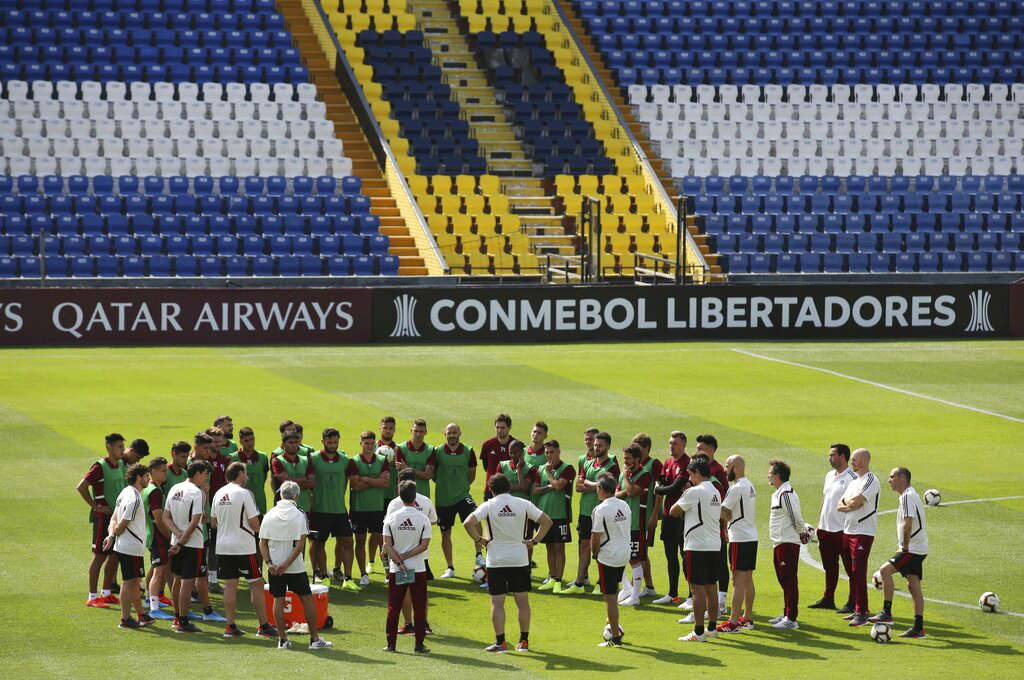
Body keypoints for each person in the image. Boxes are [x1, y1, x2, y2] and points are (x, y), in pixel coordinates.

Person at [464, 474, 552, 653]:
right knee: (522, 601)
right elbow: (546, 522)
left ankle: (501, 642)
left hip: (496, 560)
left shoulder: (488, 505)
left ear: (491, 489)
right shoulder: (523, 504)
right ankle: (524, 641)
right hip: (519, 559)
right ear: (509, 488)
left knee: (497, 602)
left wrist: (479, 539)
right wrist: (534, 541)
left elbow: (468, 523)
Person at [259, 481, 332, 650]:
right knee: (307, 598)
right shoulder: (299, 514)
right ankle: (314, 639)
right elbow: (300, 545)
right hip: (294, 566)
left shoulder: (270, 514)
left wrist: (270, 563)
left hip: (274, 565)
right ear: (297, 496)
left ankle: (282, 640)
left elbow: (262, 543)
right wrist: (286, 565)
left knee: (278, 599)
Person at [212, 461, 278, 638]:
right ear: (240, 474)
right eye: (245, 473)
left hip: (222, 546)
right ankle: (263, 625)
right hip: (243, 546)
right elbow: (255, 524)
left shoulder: (218, 493)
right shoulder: (244, 494)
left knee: (230, 585)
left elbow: (213, 522)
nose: (247, 477)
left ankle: (230, 626)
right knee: (256, 584)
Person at [870, 467, 928, 638]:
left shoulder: (907, 497)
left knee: (884, 570)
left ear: (902, 478)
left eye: (892, 476)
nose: (889, 480)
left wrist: (904, 547)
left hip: (913, 548)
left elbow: (907, 523)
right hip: (920, 548)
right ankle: (918, 628)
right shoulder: (910, 495)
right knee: (913, 585)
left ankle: (886, 613)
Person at [670, 456, 722, 642]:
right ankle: (712, 628)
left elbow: (673, 511)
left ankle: (698, 632)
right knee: (711, 587)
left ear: (698, 474)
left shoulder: (695, 492)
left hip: (696, 545)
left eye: (691, 475)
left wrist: (685, 494)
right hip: (714, 544)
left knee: (697, 589)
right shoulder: (716, 492)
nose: (689, 479)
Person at [564, 431, 618, 595]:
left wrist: (589, 483)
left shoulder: (612, 466)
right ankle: (580, 582)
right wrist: (595, 485)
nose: (597, 448)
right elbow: (578, 487)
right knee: (585, 546)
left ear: (608, 446)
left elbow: (610, 488)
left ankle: (601, 582)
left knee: (603, 546)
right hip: (586, 512)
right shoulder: (587, 463)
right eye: (595, 445)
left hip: (604, 513)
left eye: (600, 445)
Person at [382, 481, 433, 653]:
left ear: (399, 495)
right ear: (414, 495)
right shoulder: (423, 518)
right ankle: (419, 644)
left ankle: (391, 644)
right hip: (418, 569)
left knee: (393, 607)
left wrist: (398, 561)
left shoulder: (391, 518)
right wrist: (406, 557)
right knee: (419, 608)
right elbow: (424, 545)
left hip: (396, 570)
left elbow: (386, 545)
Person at [76, 433, 126, 608]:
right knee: (99, 556)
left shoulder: (120, 465)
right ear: (109, 447)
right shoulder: (99, 466)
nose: (122, 450)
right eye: (119, 446)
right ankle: (92, 596)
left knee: (115, 555)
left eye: (122, 446)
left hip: (117, 519)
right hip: (103, 518)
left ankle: (106, 593)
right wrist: (95, 506)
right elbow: (81, 487)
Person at [104, 463, 156, 629]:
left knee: (133, 582)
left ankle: (140, 615)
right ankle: (126, 618)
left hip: (124, 546)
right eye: (146, 476)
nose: (149, 479)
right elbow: (123, 523)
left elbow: (113, 519)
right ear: (139, 478)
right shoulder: (134, 498)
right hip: (131, 546)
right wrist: (112, 535)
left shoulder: (124, 493)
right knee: (129, 582)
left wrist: (111, 535)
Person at [309, 428, 359, 591]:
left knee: (348, 541)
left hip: (339, 510)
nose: (333, 445)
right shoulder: (313, 459)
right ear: (322, 441)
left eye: (335, 442)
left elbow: (353, 481)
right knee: (318, 543)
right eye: (329, 442)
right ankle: (323, 576)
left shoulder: (346, 460)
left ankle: (348, 578)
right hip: (319, 509)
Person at [809, 443, 857, 611]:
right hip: (825, 529)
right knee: (829, 567)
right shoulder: (829, 475)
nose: (830, 458)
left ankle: (853, 602)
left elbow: (854, 503)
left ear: (843, 457)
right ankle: (828, 599)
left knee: (851, 568)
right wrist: (819, 524)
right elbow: (825, 498)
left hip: (843, 530)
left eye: (832, 455)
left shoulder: (852, 477)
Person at [164, 460, 210, 633]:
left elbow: (166, 517)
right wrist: (183, 540)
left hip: (176, 541)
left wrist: (177, 535)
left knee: (177, 579)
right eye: (205, 474)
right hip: (192, 544)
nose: (206, 479)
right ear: (198, 473)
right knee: (187, 582)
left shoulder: (175, 488)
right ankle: (183, 622)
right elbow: (195, 521)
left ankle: (177, 617)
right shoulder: (196, 493)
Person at [837, 447, 881, 626]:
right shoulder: (854, 481)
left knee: (859, 571)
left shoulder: (871, 480)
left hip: (863, 532)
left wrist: (849, 505)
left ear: (864, 460)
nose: (852, 462)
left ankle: (862, 613)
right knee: (852, 572)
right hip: (848, 530)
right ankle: (858, 608)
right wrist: (849, 505)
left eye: (854, 459)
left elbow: (859, 501)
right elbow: (841, 503)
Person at [433, 423, 484, 578]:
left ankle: (479, 555)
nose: (452, 435)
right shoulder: (437, 452)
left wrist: (461, 486)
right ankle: (450, 568)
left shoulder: (468, 451)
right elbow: (434, 474)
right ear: (445, 434)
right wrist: (446, 485)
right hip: (443, 499)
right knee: (445, 533)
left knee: (475, 520)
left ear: (460, 433)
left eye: (455, 432)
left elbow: (472, 474)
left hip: (463, 496)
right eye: (449, 432)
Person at [590, 473, 631, 647]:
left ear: (600, 489)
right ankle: (612, 625)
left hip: (609, 556)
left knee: (610, 597)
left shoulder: (601, 509)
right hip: (624, 554)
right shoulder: (624, 505)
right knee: (612, 594)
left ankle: (615, 637)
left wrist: (595, 554)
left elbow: (595, 537)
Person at [768, 459, 810, 630]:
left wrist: (802, 533)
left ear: (778, 475)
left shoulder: (786, 493)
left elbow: (794, 516)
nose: (768, 475)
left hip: (787, 543)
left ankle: (791, 619)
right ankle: (786, 612)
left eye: (770, 473)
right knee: (784, 579)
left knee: (789, 580)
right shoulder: (779, 493)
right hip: (779, 542)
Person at [717, 455, 757, 632]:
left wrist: (725, 519)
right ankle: (747, 617)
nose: (726, 470)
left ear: (736, 467)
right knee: (747, 579)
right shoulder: (749, 485)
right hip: (750, 536)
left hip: (739, 538)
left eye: (727, 467)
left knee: (737, 580)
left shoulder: (736, 488)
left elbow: (723, 511)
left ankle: (733, 622)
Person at [532, 440, 575, 593]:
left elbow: (559, 486)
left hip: (560, 515)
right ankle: (551, 578)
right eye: (547, 453)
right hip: (545, 516)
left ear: (558, 451)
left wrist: (550, 475)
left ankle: (558, 580)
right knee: (549, 547)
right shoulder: (540, 469)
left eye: (551, 452)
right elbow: (535, 490)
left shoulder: (567, 468)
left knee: (559, 547)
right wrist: (549, 486)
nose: (549, 455)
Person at [652, 431, 690, 606]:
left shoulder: (687, 463)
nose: (671, 446)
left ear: (683, 445)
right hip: (668, 515)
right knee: (670, 555)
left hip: (682, 516)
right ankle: (672, 593)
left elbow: (673, 488)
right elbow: (660, 481)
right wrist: (662, 487)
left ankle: (692, 595)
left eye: (675, 443)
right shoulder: (668, 462)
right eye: (670, 443)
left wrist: (661, 488)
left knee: (685, 555)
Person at [348, 433, 391, 585]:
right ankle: (363, 574)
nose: (369, 446)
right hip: (359, 509)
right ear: (361, 443)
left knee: (383, 542)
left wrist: (365, 478)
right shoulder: (354, 461)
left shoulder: (382, 460)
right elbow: (355, 486)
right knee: (359, 541)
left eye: (372, 443)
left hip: (377, 508)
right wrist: (376, 481)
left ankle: (388, 573)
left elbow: (386, 483)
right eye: (366, 443)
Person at [695, 434, 729, 614]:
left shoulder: (716, 470)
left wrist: (724, 525)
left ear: (710, 449)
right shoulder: (702, 467)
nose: (697, 450)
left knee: (720, 562)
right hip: (704, 523)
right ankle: (705, 601)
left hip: (716, 523)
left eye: (700, 447)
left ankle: (721, 599)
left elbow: (724, 497)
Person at [614, 444, 651, 607]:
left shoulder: (644, 475)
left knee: (635, 559)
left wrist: (626, 480)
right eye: (624, 458)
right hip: (622, 524)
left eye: (628, 458)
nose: (626, 461)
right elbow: (617, 494)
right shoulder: (625, 475)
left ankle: (635, 596)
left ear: (637, 459)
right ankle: (627, 588)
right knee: (621, 556)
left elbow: (632, 492)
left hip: (636, 524)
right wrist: (627, 489)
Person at [143, 457, 175, 620]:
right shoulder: (154, 492)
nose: (166, 473)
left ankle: (149, 599)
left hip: (151, 534)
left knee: (156, 567)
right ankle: (154, 608)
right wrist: (170, 537)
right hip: (157, 536)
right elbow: (158, 518)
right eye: (163, 471)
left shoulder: (150, 489)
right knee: (159, 570)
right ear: (153, 472)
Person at [631, 433, 662, 598]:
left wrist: (655, 514)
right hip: (635, 515)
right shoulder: (633, 464)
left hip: (646, 514)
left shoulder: (654, 464)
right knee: (640, 551)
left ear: (647, 448)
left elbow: (658, 491)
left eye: (640, 447)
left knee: (640, 551)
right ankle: (647, 586)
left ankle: (646, 586)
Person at [231, 427, 270, 518]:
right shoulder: (233, 458)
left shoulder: (263, 457)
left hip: (259, 501)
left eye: (252, 440)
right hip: (240, 502)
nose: (250, 443)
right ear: (240, 441)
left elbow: (263, 477)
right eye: (246, 441)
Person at [271, 431, 313, 513]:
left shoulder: (306, 460)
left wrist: (291, 480)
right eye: (290, 442)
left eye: (296, 442)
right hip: (285, 508)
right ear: (283, 444)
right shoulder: (277, 461)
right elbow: (284, 481)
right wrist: (304, 480)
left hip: (304, 507)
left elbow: (312, 483)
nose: (294, 445)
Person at [395, 419, 437, 499]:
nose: (418, 434)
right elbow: (402, 472)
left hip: (423, 495)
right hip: (404, 495)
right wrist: (420, 473)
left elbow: (427, 475)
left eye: (421, 431)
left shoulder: (430, 450)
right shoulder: (400, 448)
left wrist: (407, 468)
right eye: (416, 431)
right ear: (411, 431)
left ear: (425, 432)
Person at [480, 413, 514, 500]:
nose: (499, 430)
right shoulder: (487, 445)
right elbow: (486, 467)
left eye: (502, 428)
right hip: (490, 490)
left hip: (510, 491)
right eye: (497, 427)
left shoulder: (516, 446)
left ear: (509, 428)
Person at [377, 416, 399, 502]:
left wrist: (394, 464)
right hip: (375, 493)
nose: (388, 431)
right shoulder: (371, 447)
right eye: (385, 428)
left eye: (391, 428)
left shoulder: (399, 449)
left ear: (394, 429)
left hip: (392, 495)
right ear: (380, 428)